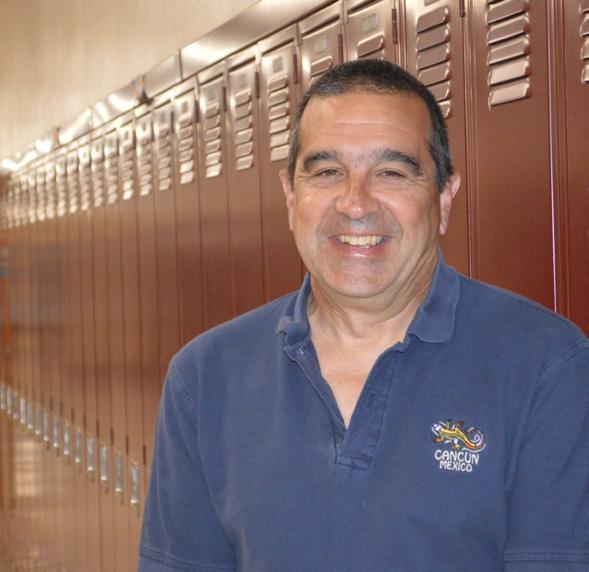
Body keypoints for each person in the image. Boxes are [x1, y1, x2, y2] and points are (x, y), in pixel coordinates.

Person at [137, 60, 589, 572]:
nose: (355, 204)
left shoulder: (545, 365)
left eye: (391, 173)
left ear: (444, 198)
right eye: (327, 172)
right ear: (291, 196)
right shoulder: (205, 377)